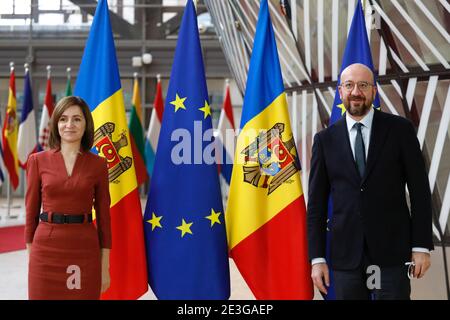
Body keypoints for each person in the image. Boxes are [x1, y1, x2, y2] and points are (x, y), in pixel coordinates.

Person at [307, 63, 433, 300]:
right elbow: (316, 205)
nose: (356, 91)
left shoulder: (400, 130)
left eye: (363, 85)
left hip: (392, 254)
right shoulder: (325, 140)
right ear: (341, 92)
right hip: (346, 257)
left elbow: (420, 191)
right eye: (349, 85)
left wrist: (421, 246)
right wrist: (317, 259)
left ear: (374, 91)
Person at [25, 96, 111, 300]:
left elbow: (105, 219)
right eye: (63, 119)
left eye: (76, 119)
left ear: (86, 124)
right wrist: (32, 258)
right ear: (56, 123)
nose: (69, 125)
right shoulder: (37, 161)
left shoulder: (98, 165)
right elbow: (30, 215)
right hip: (45, 250)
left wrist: (104, 266)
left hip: (84, 248)